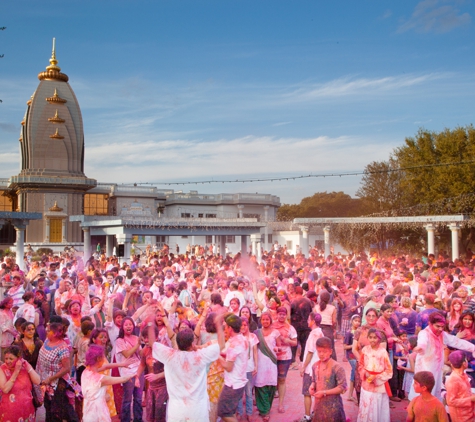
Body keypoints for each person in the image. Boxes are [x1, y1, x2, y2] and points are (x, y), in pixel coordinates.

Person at [151, 314, 224, 421]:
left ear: (178, 343)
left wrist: (149, 322)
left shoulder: (170, 355)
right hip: (197, 410)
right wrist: (218, 324)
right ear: (192, 343)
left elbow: (153, 343)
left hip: (176, 411)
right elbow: (222, 345)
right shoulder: (200, 356)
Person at [409, 311, 475, 401]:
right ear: (430, 324)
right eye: (437, 326)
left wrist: (472, 348)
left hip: (437, 369)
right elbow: (422, 343)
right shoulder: (424, 333)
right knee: (422, 395)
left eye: (442, 327)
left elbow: (456, 341)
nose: (440, 329)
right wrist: (420, 347)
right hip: (425, 370)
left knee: (435, 393)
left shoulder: (442, 334)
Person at [37, 322, 79, 422]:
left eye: (49, 330)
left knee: (57, 408)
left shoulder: (62, 348)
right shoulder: (47, 340)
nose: (46, 331)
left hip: (57, 381)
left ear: (55, 333)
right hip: (45, 379)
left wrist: (50, 379)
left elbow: (66, 368)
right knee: (48, 405)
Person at [82, 345, 135, 422]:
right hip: (97, 411)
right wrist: (132, 375)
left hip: (88, 409)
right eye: (102, 356)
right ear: (98, 359)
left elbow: (106, 367)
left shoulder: (85, 372)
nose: (104, 359)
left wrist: (121, 364)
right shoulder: (100, 379)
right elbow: (122, 379)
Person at [217, 313, 249, 422]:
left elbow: (228, 367)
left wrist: (217, 356)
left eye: (225, 327)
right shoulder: (243, 339)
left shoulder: (234, 344)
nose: (224, 329)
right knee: (230, 412)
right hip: (239, 381)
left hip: (233, 384)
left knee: (223, 412)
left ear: (230, 328)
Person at [356, 328, 392, 422]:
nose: (372, 340)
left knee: (376, 405)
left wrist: (376, 378)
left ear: (379, 339)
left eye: (375, 338)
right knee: (367, 404)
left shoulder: (383, 352)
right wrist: (365, 373)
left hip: (379, 385)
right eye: (370, 337)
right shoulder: (364, 350)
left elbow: (389, 370)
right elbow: (360, 365)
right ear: (367, 338)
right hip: (366, 383)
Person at [308, 336, 347, 422]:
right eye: (319, 351)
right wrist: (312, 386)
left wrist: (324, 392)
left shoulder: (337, 367)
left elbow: (343, 387)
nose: (321, 354)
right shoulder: (315, 366)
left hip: (333, 406)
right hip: (319, 406)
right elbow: (314, 380)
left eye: (324, 351)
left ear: (330, 351)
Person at [0, 345, 41, 421]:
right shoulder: (2, 369)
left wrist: (28, 366)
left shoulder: (25, 367)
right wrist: (16, 372)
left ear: (18, 359)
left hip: (27, 409)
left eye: (11, 359)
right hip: (10, 411)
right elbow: (5, 389)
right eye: (6, 358)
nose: (8, 361)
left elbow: (37, 381)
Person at [254, 311, 281, 422]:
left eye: (267, 319)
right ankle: (265, 411)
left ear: (270, 320)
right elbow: (253, 348)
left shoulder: (276, 333)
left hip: (271, 362)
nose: (265, 321)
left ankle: (266, 408)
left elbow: (279, 347)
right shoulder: (256, 333)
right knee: (260, 385)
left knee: (270, 386)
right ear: (260, 321)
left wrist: (277, 349)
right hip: (259, 363)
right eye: (263, 319)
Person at [115, 317, 143, 422]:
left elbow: (140, 354)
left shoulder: (136, 338)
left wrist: (146, 347)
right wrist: (138, 345)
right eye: (126, 324)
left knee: (139, 398)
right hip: (127, 372)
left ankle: (138, 419)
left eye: (130, 324)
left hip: (139, 371)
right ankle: (125, 420)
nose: (128, 326)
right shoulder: (119, 340)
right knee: (127, 399)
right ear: (122, 327)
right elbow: (127, 354)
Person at [272, 305, 298, 413]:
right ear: (277, 314)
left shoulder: (290, 328)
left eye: (283, 314)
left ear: (286, 315)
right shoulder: (272, 326)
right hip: (272, 355)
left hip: (285, 356)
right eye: (280, 314)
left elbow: (295, 342)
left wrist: (287, 341)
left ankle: (281, 404)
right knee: (272, 379)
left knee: (282, 379)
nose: (281, 316)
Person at [300, 312, 324, 422]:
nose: (307, 321)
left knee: (307, 393)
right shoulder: (320, 332)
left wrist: (303, 367)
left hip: (310, 369)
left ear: (313, 321)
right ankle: (316, 413)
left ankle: (307, 416)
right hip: (318, 367)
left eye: (309, 319)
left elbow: (310, 352)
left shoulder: (313, 334)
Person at [236, 315, 258, 420]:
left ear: (248, 325)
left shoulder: (253, 337)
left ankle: (249, 413)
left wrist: (256, 366)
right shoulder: (236, 337)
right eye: (241, 325)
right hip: (239, 369)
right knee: (239, 393)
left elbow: (255, 352)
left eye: (245, 325)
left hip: (249, 368)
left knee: (249, 392)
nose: (243, 327)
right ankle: (239, 412)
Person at [445, 350, 475, 422]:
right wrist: (471, 399)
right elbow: (450, 402)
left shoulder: (464, 376)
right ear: (464, 363)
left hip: (469, 414)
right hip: (461, 417)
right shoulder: (453, 380)